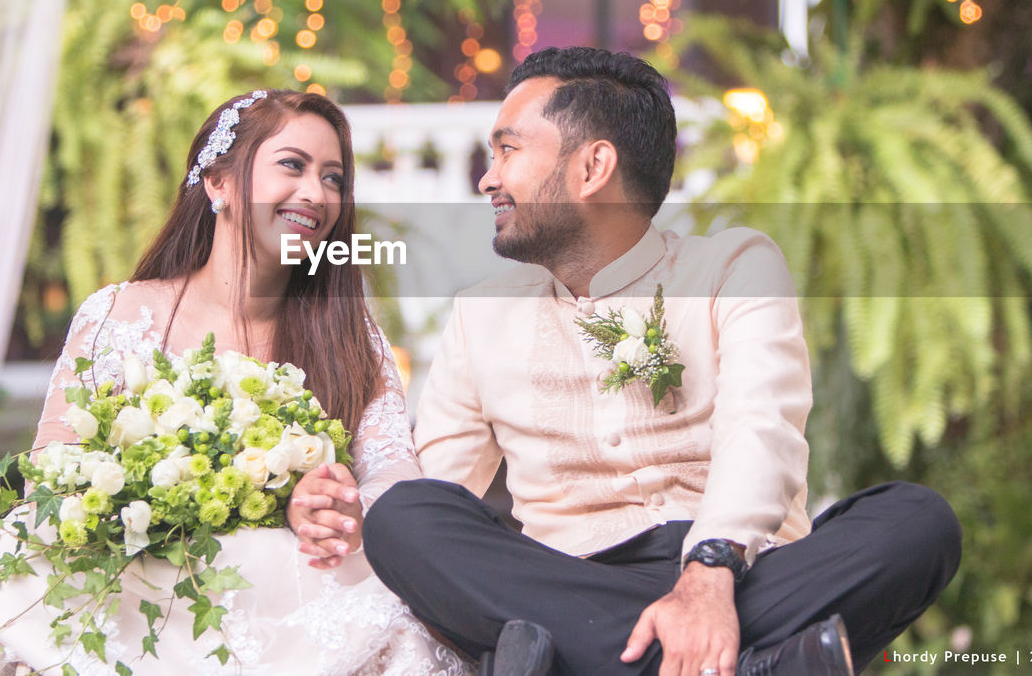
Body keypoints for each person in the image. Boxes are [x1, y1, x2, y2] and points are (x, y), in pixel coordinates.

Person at [363, 48, 962, 676]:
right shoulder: (478, 314)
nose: (488, 179)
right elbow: (438, 492)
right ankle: (765, 665)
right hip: (569, 584)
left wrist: (708, 574)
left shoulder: (734, 266)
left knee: (918, 523)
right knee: (404, 518)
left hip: (744, 574)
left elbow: (763, 426)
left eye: (508, 150)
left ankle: (604, 662)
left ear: (593, 166)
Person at [0, 89, 471, 676]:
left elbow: (394, 476)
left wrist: (340, 503)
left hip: (295, 586)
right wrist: (179, 490)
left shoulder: (350, 333)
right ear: (219, 184)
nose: (317, 193)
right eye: (293, 165)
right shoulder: (120, 314)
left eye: (333, 177)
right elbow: (51, 478)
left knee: (405, 614)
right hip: (142, 578)